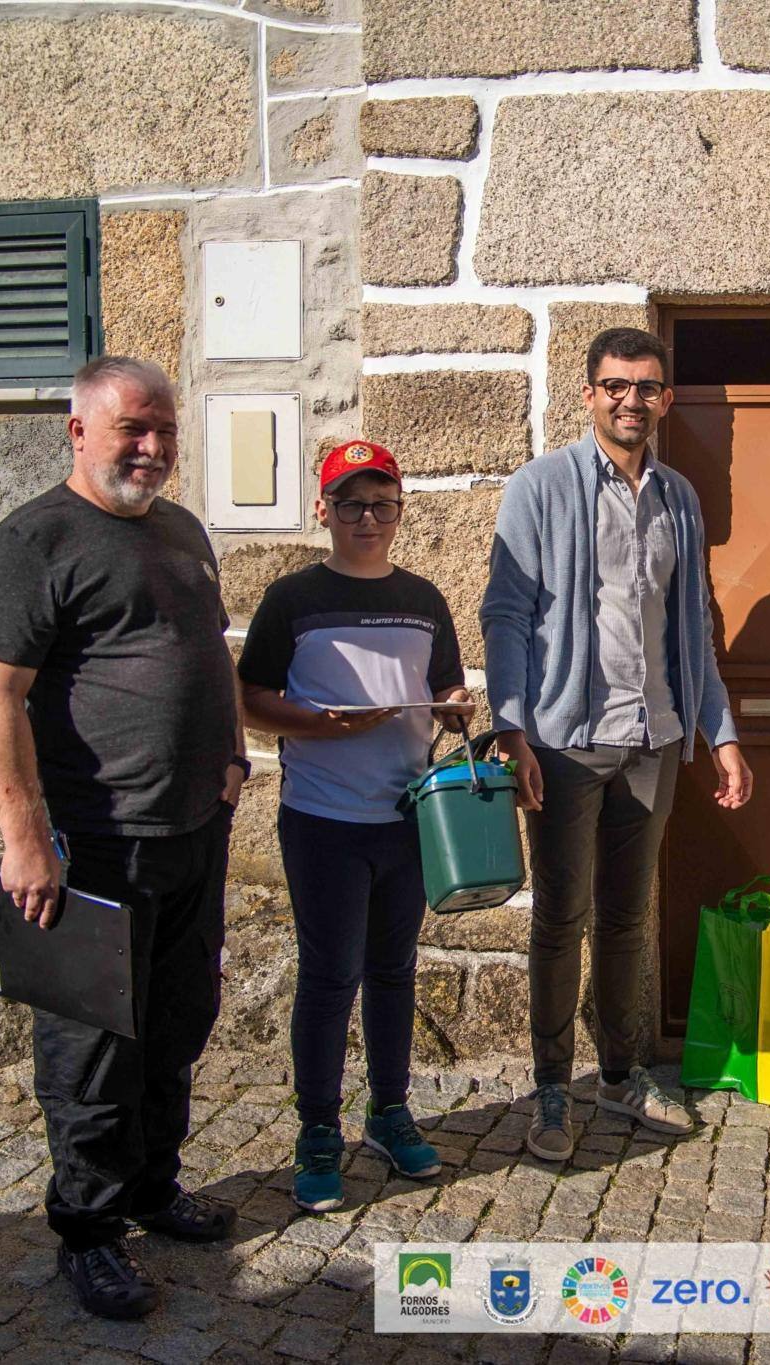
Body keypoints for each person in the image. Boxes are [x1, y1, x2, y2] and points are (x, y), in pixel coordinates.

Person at [0, 356, 246, 1321]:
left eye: (165, 428)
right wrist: (24, 837)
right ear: (79, 429)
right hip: (92, 843)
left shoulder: (180, 530)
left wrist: (235, 757)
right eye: (133, 427)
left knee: (177, 1023)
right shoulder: (34, 540)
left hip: (191, 829)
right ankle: (88, 1231)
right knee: (92, 1050)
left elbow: (207, 652)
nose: (154, 447)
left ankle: (153, 1187)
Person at [482, 326, 753, 1162]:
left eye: (646, 387)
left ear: (665, 400)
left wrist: (724, 732)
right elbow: (506, 615)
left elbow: (695, 628)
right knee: (562, 917)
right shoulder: (541, 486)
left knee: (628, 917)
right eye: (614, 385)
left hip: (654, 739)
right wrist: (512, 723)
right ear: (589, 393)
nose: (630, 400)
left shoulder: (679, 498)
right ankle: (552, 1088)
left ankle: (622, 1074)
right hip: (564, 744)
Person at [236, 439, 473, 1209]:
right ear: (322, 511)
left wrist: (455, 707)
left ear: (400, 511)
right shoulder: (292, 599)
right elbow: (250, 699)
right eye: (349, 503)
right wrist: (317, 723)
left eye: (380, 503)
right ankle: (316, 1129)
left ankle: (390, 1110)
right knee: (330, 975)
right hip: (323, 820)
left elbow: (446, 685)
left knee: (395, 971)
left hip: (407, 816)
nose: (366, 518)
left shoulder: (425, 598)